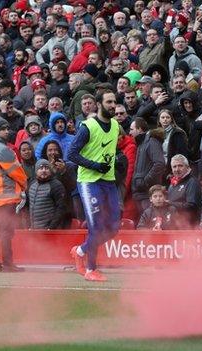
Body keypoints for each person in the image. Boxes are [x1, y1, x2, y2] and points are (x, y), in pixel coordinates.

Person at [68, 90, 120, 282]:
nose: (113, 105)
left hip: (109, 181)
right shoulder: (88, 127)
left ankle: (80, 251)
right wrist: (95, 165)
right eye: (109, 102)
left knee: (114, 227)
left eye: (114, 101)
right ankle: (91, 269)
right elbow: (71, 154)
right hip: (89, 182)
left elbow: (110, 149)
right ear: (99, 104)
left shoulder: (115, 125)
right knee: (96, 227)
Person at [0, 117, 28, 272]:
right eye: (4, 129)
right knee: (7, 232)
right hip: (6, 198)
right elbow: (18, 173)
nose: (7, 131)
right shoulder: (3, 150)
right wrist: (24, 185)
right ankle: (8, 264)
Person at [28, 159, 68, 230]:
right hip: (33, 231)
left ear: (50, 171)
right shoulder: (31, 184)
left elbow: (61, 208)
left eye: (46, 168)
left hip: (50, 231)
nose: (44, 170)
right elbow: (27, 206)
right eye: (41, 168)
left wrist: (52, 227)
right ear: (36, 171)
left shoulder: (56, 185)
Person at [167, 154, 202, 229]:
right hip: (174, 227)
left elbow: (191, 206)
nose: (177, 169)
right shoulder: (172, 185)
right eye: (174, 166)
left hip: (188, 228)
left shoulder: (192, 182)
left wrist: (170, 203)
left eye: (180, 166)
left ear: (187, 167)